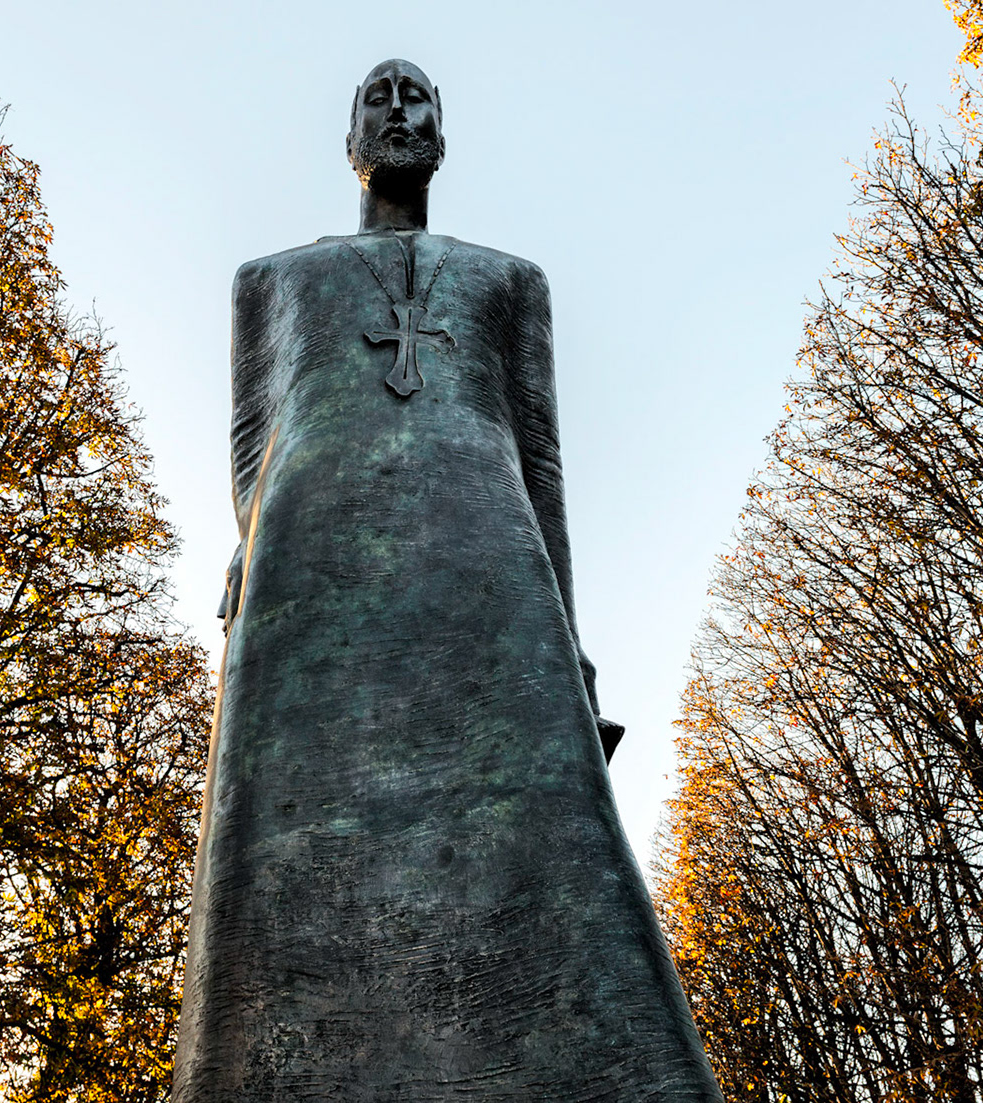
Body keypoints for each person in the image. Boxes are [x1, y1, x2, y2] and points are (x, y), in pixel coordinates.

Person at [172, 59, 722, 1102]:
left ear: (442, 133)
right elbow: (253, 442)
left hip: (484, 551)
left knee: (539, 838)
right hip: (314, 561)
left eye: (418, 97)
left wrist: (567, 628)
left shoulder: (510, 281)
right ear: (348, 138)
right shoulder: (270, 279)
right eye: (378, 99)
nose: (398, 111)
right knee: (289, 841)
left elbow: (542, 458)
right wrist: (257, 544)